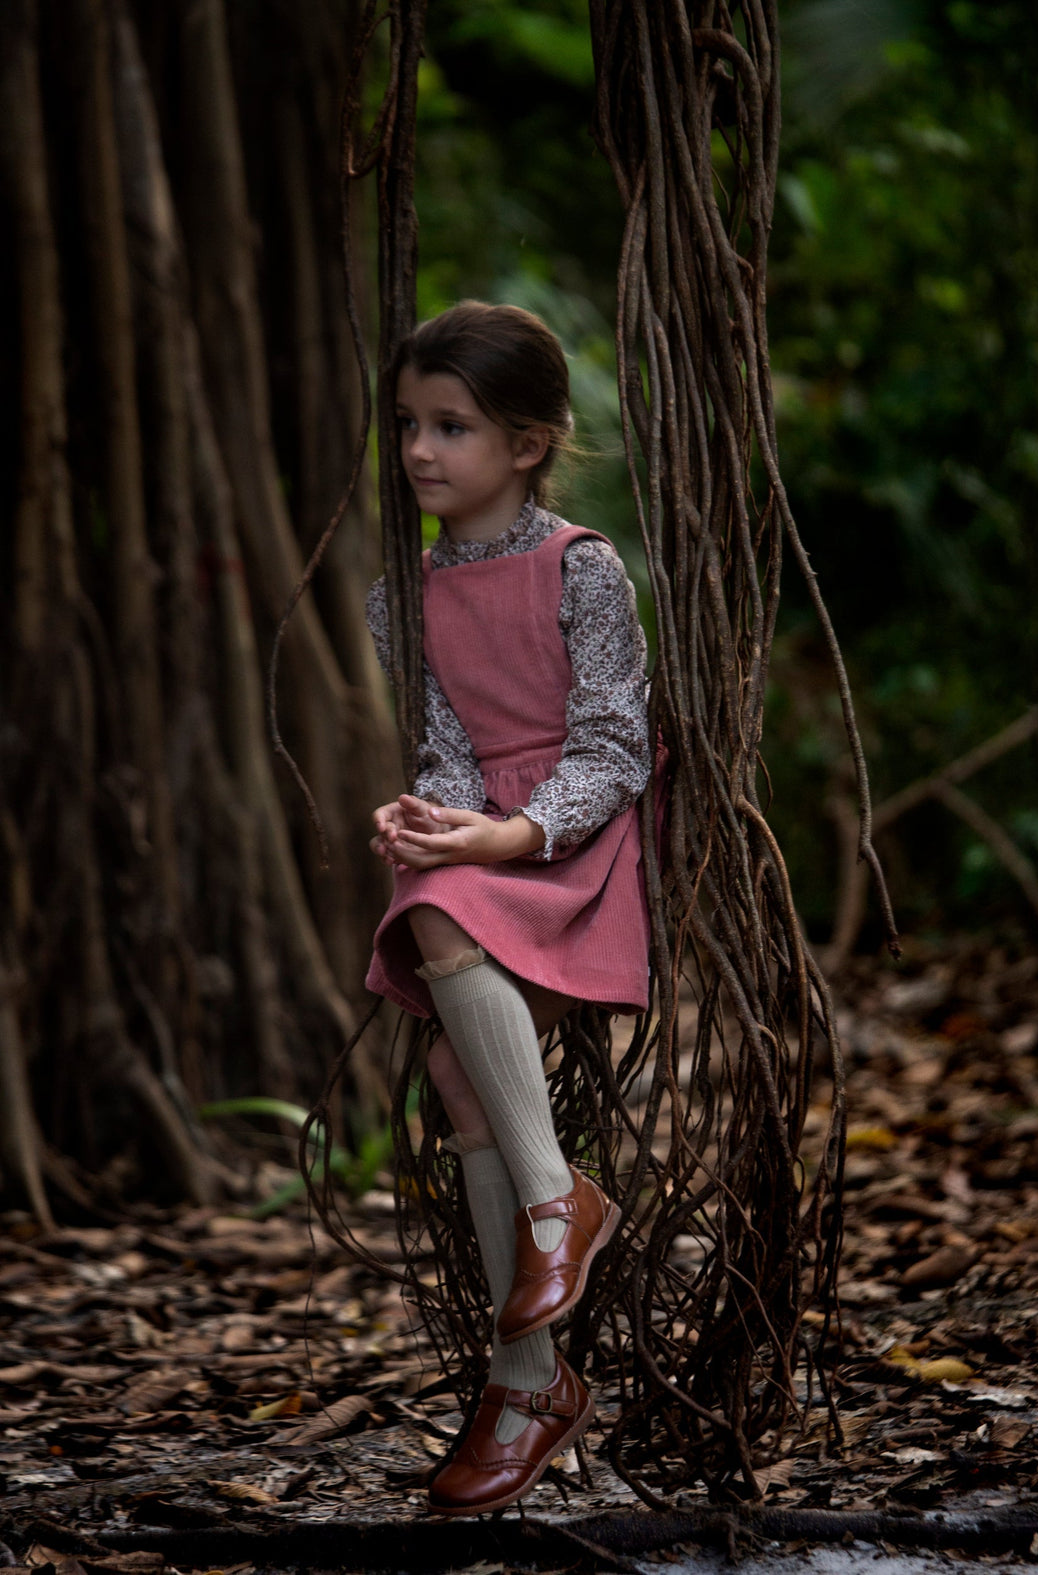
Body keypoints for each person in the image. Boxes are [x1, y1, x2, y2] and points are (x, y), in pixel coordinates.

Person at [365, 300, 651, 1516]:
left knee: (435, 914)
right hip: (484, 845)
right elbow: (445, 752)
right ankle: (530, 1377)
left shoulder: (583, 567)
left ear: (529, 444)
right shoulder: (405, 594)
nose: (422, 452)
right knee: (452, 1079)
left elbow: (614, 745)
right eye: (410, 428)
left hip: (576, 843)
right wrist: (430, 817)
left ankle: (551, 1212)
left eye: (453, 428)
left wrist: (507, 834)